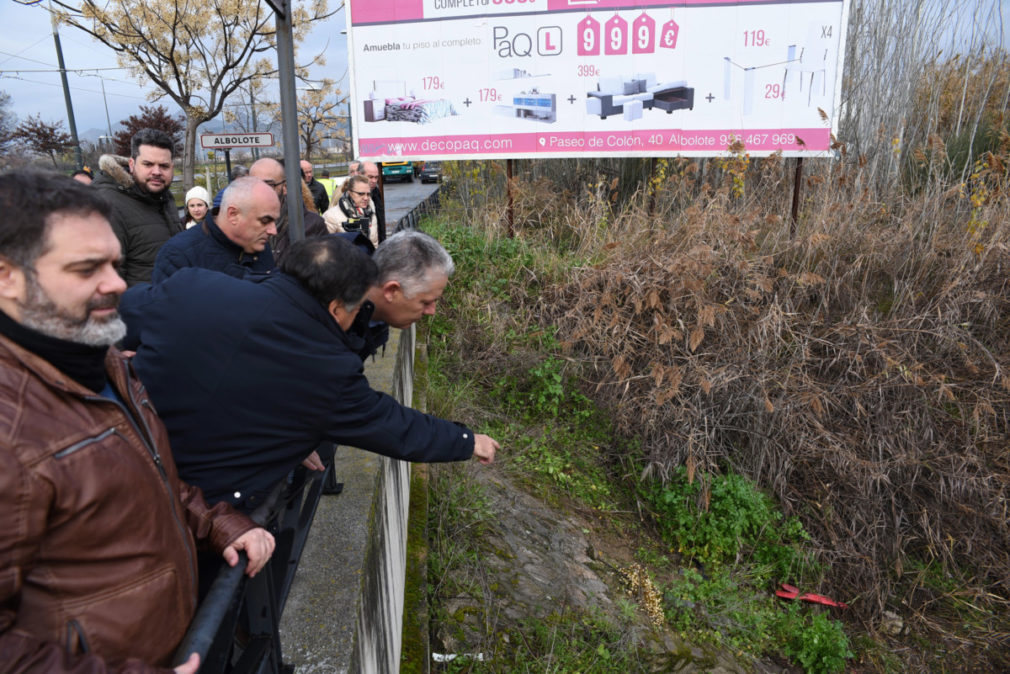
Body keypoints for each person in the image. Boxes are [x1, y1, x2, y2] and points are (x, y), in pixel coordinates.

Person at [0, 171, 274, 673]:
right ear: (7, 276)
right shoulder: (11, 429)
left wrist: (218, 523)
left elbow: (150, 482)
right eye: (87, 269)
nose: (118, 284)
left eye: (115, 263)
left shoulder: (103, 362)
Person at [119, 236, 499, 513]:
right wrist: (466, 441)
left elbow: (121, 312)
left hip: (119, 458)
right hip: (189, 503)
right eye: (427, 302)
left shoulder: (193, 284)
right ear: (337, 308)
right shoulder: (325, 367)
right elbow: (388, 424)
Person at [92, 128, 182, 286]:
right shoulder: (108, 205)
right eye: (148, 164)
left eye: (164, 166)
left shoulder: (164, 197)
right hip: (138, 308)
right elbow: (106, 280)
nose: (157, 172)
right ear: (132, 164)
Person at [151, 177, 279, 283]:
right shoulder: (177, 255)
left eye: (274, 221)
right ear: (233, 214)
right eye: (265, 221)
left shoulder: (259, 245)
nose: (273, 231)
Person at [249, 157, 327, 262]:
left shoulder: (313, 224)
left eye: (268, 185)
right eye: (253, 185)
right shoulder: (240, 224)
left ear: (285, 187)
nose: (260, 191)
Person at [323, 174, 379, 247]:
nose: (366, 198)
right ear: (350, 193)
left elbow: (374, 244)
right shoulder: (331, 216)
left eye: (368, 194)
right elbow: (323, 247)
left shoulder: (371, 213)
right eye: (361, 194)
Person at [358, 161, 387, 242]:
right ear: (360, 175)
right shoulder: (349, 195)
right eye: (370, 177)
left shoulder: (376, 192)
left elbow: (380, 220)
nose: (374, 181)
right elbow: (344, 223)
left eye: (376, 177)